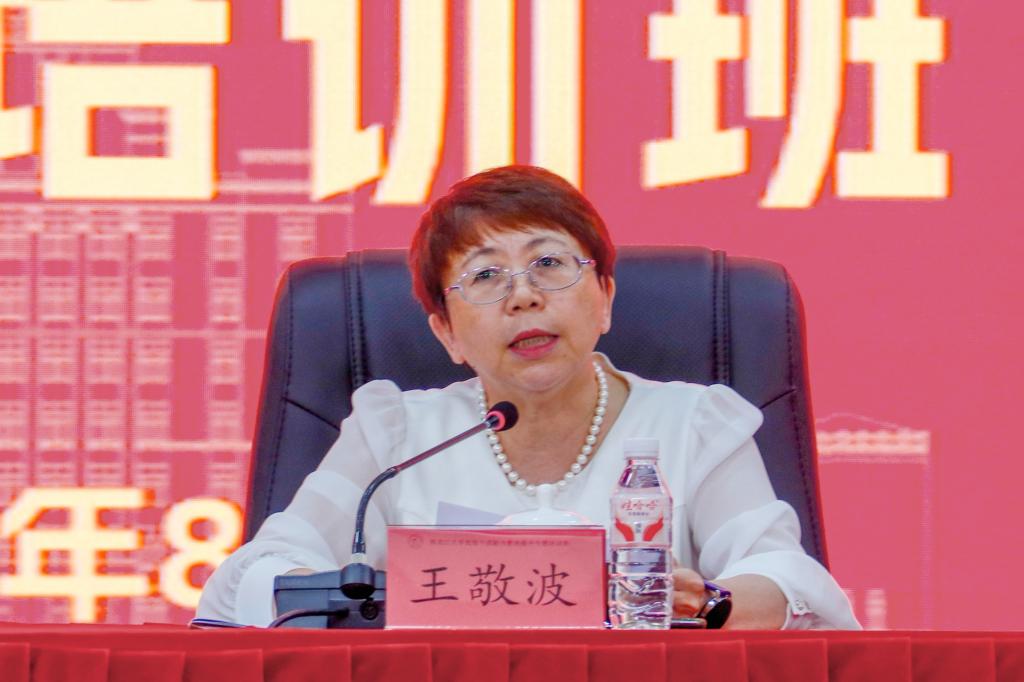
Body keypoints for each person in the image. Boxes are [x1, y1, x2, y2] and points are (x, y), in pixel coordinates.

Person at [197, 165, 860, 629]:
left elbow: (789, 580)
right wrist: (382, 598)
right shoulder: (395, 435)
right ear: (446, 333)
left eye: (549, 263)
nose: (523, 296)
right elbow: (253, 576)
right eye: (485, 276)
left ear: (604, 297)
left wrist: (709, 603)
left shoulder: (694, 425)